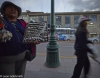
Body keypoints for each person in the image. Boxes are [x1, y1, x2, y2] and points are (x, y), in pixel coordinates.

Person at [0, 1, 39, 77]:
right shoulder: (1, 21)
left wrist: (34, 41)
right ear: (4, 11)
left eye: (15, 9)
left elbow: (30, 37)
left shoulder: (22, 23)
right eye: (10, 8)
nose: (13, 9)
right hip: (6, 60)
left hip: (22, 58)